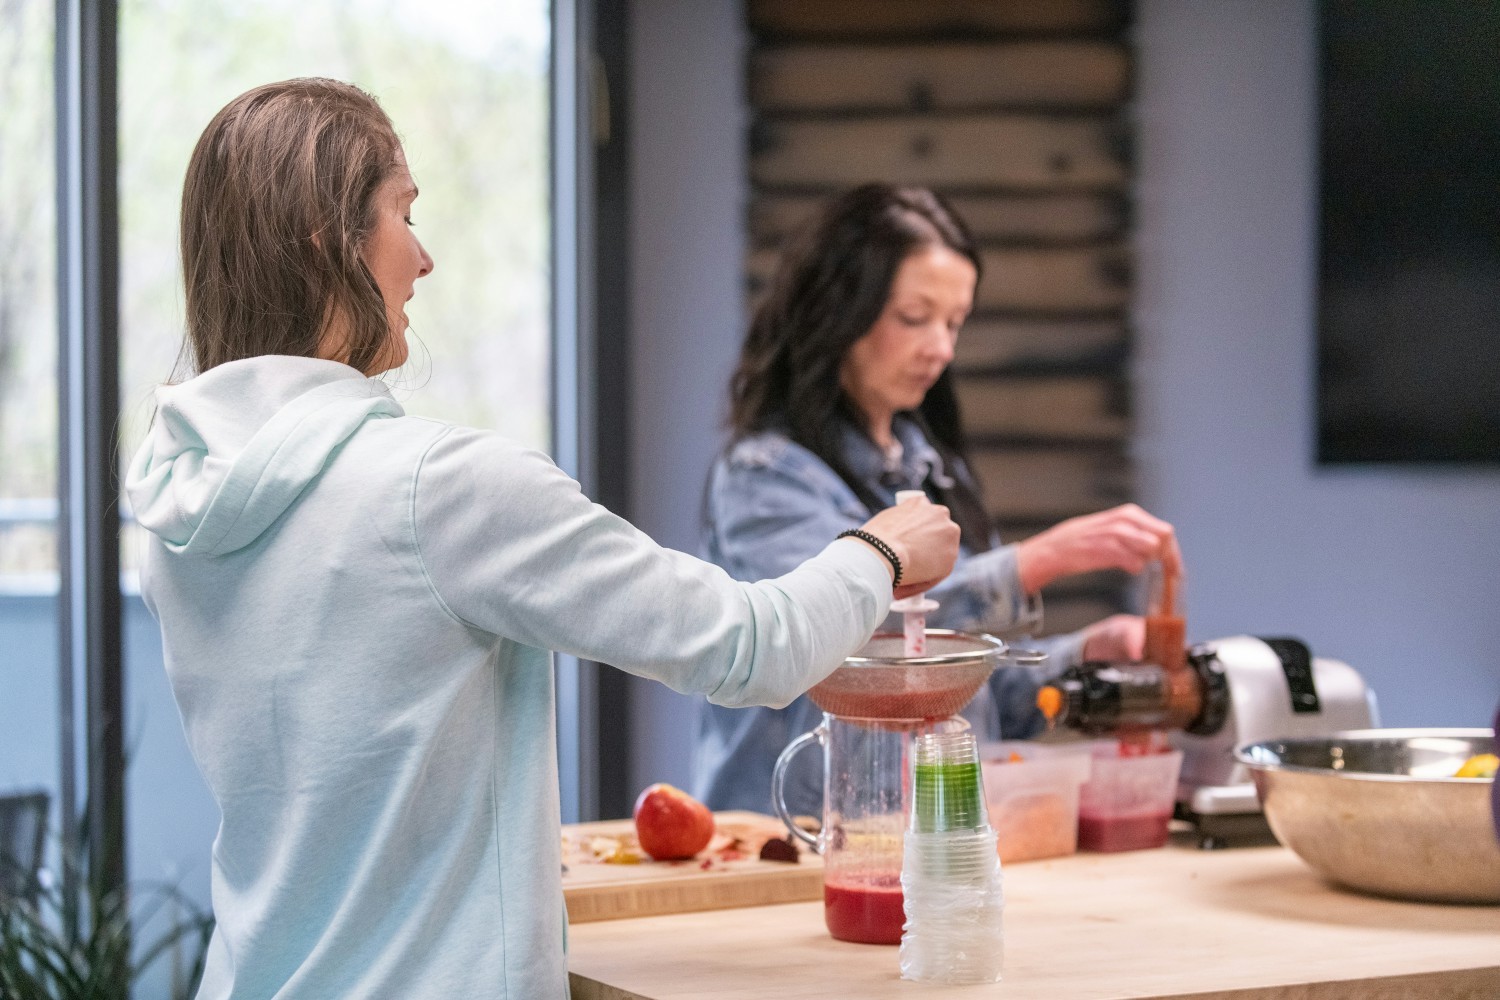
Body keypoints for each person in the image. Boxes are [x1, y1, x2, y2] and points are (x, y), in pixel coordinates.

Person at [124, 80, 960, 1000]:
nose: (425, 257)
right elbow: (748, 648)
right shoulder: (439, 488)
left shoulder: (179, 503)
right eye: (404, 212)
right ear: (331, 243)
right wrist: (881, 551)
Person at [694, 183, 1179, 818]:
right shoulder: (765, 476)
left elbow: (973, 689)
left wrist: (1085, 657)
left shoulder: (929, 468)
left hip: (926, 853)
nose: (942, 349)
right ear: (838, 310)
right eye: (915, 318)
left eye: (955, 322)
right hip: (800, 844)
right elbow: (844, 625)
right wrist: (1034, 562)